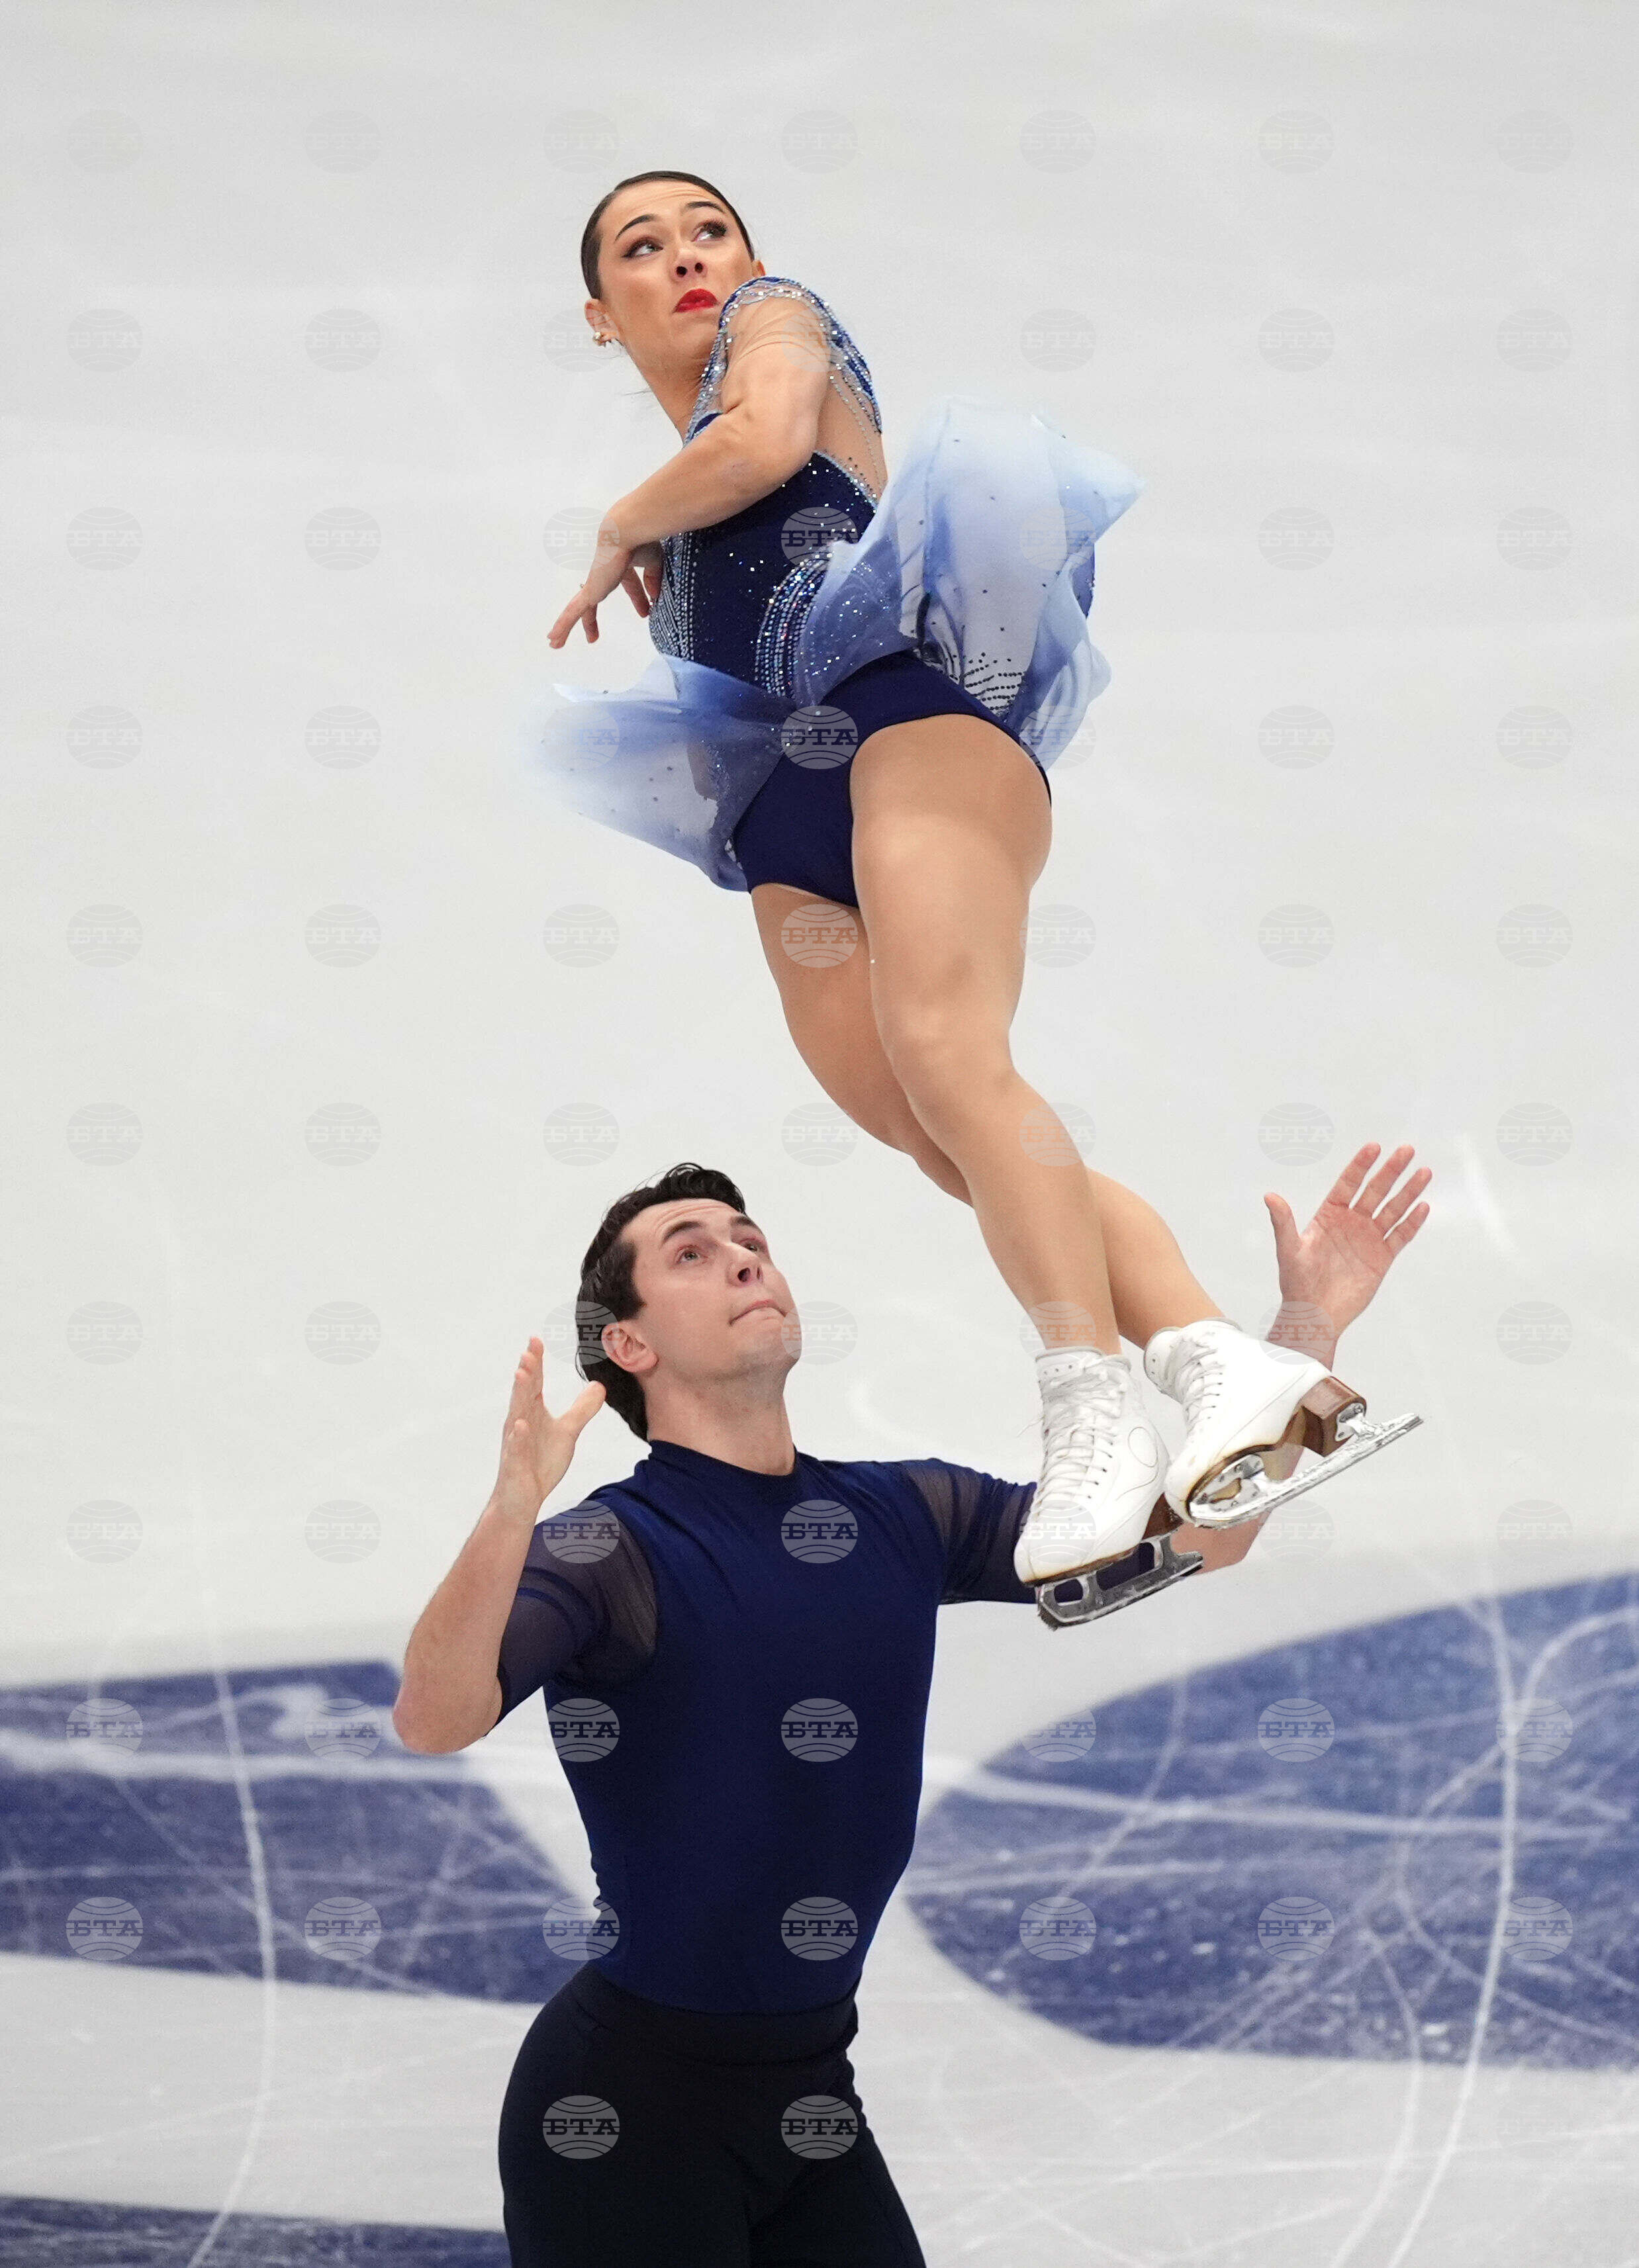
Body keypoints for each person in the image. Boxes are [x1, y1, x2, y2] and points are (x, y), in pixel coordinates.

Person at [528, 171, 1428, 1613]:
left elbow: (765, 437)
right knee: (936, 1132)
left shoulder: (777, 325)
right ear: (598, 314)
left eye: (710, 231)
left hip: (905, 722)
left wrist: (619, 520)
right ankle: (1220, 1359)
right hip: (778, 809)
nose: (690, 259)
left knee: (956, 1056)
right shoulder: (683, 484)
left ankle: (1085, 1398)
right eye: (645, 248)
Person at [392, 1144, 1430, 2266]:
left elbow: (1204, 1539)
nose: (744, 1261)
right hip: (624, 2117)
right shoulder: (611, 1551)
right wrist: (509, 1513)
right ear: (630, 1346)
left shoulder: (900, 1514)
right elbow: (434, 1717)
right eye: (694, 1254)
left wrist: (1307, 1329)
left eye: (753, 1244)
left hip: (811, 2104)